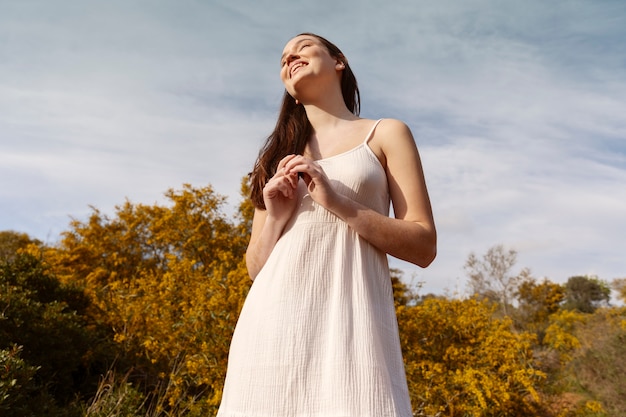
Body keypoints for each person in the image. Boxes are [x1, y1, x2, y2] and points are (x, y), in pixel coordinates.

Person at [217, 33, 436, 417]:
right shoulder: (274, 159)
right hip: (270, 326)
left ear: (339, 61)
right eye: (283, 58)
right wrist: (276, 217)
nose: (290, 57)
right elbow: (255, 268)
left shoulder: (386, 133)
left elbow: (423, 245)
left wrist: (337, 201)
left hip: (354, 325)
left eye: (301, 47)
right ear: (292, 92)